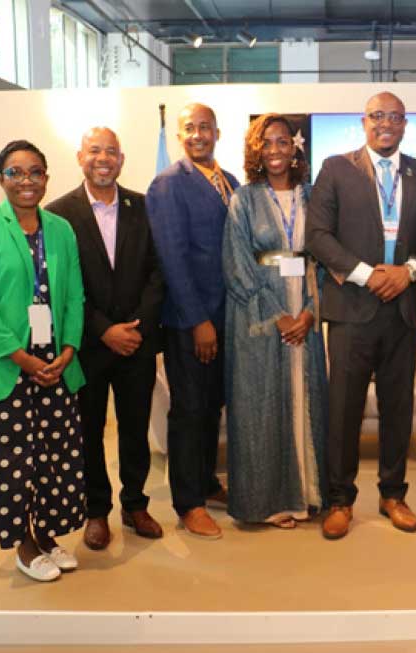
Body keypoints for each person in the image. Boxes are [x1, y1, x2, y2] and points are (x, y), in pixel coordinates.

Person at [306, 91, 416, 540]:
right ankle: (340, 499)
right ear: (364, 122)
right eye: (377, 115)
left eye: (394, 117)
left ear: (405, 124)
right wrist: (368, 275)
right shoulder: (335, 168)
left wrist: (409, 272)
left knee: (397, 408)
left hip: (402, 310)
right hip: (351, 311)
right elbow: (318, 236)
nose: (386, 123)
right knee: (343, 409)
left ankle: (393, 495)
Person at [0, 140, 86, 582]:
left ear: (47, 177)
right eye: (15, 172)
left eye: (35, 171)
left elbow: (73, 295)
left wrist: (68, 349)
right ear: (1, 180)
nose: (26, 180)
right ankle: (25, 544)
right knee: (11, 462)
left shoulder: (61, 229)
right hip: (4, 367)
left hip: (55, 365)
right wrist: (22, 358)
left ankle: (49, 535)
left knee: (54, 456)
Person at [45, 127, 165, 550]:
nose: (103, 158)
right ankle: (96, 511)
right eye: (94, 150)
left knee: (135, 429)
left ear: (122, 158)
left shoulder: (145, 207)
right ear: (80, 157)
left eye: (110, 151)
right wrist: (103, 330)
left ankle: (135, 505)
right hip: (88, 346)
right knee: (88, 431)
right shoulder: (57, 214)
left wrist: (134, 328)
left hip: (138, 341)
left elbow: (157, 272)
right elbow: (64, 285)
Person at [222, 113, 328, 528]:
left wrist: (307, 313)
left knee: (307, 399)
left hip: (307, 311)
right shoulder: (243, 199)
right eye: (266, 143)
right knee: (260, 406)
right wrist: (278, 316)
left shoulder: (314, 196)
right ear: (256, 150)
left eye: (283, 142)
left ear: (295, 147)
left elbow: (323, 255)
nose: (275, 150)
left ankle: (307, 495)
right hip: (258, 320)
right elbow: (236, 264)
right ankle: (267, 503)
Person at [146, 103, 240, 539]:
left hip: (229, 319)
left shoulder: (231, 182)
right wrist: (198, 320)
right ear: (180, 136)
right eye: (190, 128)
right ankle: (188, 503)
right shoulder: (168, 184)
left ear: (217, 133)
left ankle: (206, 482)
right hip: (191, 321)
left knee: (212, 408)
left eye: (205, 127)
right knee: (188, 410)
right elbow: (172, 258)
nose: (198, 135)